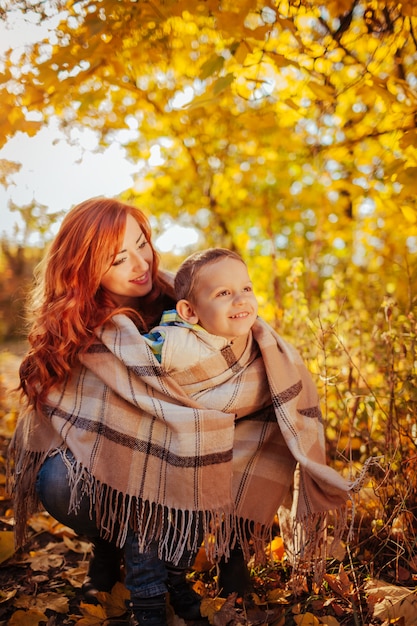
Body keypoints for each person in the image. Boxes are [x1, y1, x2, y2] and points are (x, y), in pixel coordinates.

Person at [9, 199, 353, 626]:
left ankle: (232, 555)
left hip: (199, 448)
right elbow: (72, 414)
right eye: (119, 259)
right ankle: (114, 545)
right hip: (117, 463)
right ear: (85, 268)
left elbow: (249, 362)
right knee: (61, 481)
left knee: (249, 436)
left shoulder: (185, 299)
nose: (141, 264)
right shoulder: (78, 328)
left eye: (143, 245)